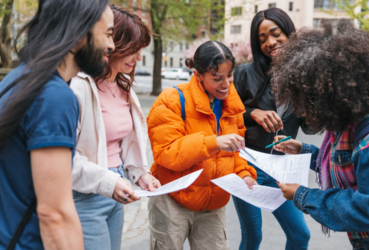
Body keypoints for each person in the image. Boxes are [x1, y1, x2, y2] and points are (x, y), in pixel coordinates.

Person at [271, 20, 369, 250]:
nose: (305, 111)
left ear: (328, 93)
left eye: (308, 101)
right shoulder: (353, 115)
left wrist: (303, 196)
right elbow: (350, 164)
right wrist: (305, 150)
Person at [0, 0, 114, 249]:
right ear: (77, 36)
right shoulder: (53, 97)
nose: (112, 45)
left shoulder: (18, 79)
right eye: (108, 34)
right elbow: (55, 215)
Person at [147, 41, 257, 250]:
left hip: (213, 204)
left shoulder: (232, 105)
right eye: (217, 78)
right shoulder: (172, 99)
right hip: (173, 200)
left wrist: (244, 174)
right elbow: (166, 153)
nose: (225, 84)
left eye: (229, 76)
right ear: (198, 75)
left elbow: (236, 153)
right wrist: (213, 143)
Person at [70, 5, 160, 250]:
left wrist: (141, 174)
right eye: (135, 50)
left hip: (116, 189)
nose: (139, 58)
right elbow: (64, 160)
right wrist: (109, 182)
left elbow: (125, 143)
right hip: (85, 195)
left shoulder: (124, 87)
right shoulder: (78, 88)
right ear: (113, 43)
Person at [232, 8, 313, 250]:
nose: (270, 42)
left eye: (275, 34)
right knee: (253, 237)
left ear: (289, 33)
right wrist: (252, 113)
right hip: (248, 165)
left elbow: (309, 128)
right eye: (262, 39)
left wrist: (312, 103)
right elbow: (227, 116)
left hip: (283, 168)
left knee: (300, 236)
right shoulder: (245, 73)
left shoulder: (304, 75)